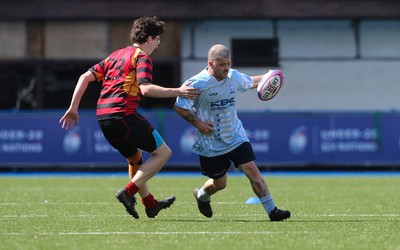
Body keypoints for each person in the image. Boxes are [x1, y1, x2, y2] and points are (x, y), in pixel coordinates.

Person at [59, 16, 200, 219]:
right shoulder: (141, 57)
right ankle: (128, 192)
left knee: (135, 161)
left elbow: (84, 77)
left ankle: (150, 205)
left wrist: (73, 108)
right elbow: (146, 89)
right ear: (150, 38)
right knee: (164, 153)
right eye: (158, 39)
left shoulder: (114, 56)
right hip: (122, 114)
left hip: (104, 119)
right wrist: (178, 91)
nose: (158, 44)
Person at [174, 44, 290, 221]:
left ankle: (272, 210)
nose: (226, 68)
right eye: (222, 64)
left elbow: (252, 81)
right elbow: (179, 107)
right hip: (210, 142)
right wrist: (198, 124)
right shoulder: (197, 83)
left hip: (236, 135)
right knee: (220, 184)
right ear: (211, 63)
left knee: (252, 170)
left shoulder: (233, 76)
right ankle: (202, 195)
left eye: (228, 63)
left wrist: (272, 77)